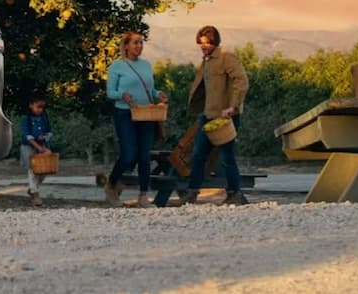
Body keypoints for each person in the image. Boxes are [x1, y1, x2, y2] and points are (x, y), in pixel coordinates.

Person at [184, 25, 251, 205]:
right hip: (208, 115)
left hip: (226, 117)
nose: (204, 46)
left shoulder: (226, 58)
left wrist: (233, 106)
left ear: (215, 42)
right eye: (201, 44)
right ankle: (192, 192)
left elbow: (242, 81)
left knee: (226, 157)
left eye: (207, 43)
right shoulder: (205, 62)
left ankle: (235, 193)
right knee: (198, 154)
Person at [104, 31, 169, 208]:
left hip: (146, 114)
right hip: (125, 113)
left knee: (144, 156)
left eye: (141, 43)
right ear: (126, 46)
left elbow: (150, 90)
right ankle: (112, 183)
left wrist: (159, 94)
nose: (139, 46)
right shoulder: (117, 66)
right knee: (128, 154)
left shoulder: (146, 65)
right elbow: (110, 93)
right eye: (135, 43)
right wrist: (122, 95)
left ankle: (143, 195)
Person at [19, 95, 54, 207]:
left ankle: (32, 188)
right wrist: (39, 148)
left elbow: (49, 131)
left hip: (42, 145)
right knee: (33, 170)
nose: (40, 110)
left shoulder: (44, 117)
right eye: (38, 107)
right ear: (31, 105)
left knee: (44, 170)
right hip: (29, 147)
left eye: (42, 107)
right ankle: (35, 193)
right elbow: (27, 136)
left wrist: (44, 138)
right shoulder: (26, 118)